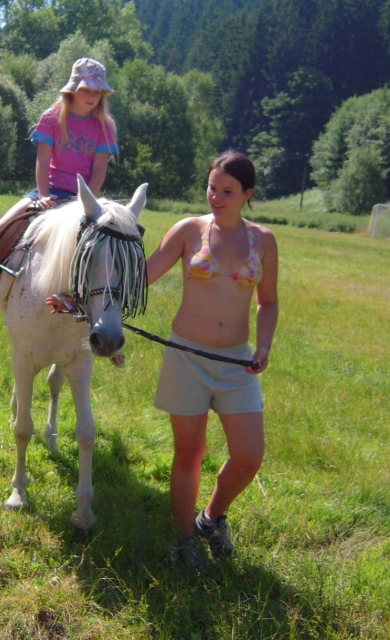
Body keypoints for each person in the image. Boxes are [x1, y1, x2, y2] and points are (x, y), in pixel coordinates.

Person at [145, 150, 279, 569]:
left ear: (247, 194)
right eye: (211, 188)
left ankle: (211, 517)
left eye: (227, 191)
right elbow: (141, 276)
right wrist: (84, 295)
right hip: (186, 357)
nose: (216, 197)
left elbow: (268, 301)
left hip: (237, 362)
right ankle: (185, 540)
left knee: (249, 456)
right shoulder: (189, 230)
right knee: (190, 453)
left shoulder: (263, 240)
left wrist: (263, 346)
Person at [0, 58, 118, 330]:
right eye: (86, 89)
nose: (92, 96)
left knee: (108, 249)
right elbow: (43, 161)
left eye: (97, 91)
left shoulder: (105, 126)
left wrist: (86, 203)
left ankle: (102, 316)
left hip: (82, 199)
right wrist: (42, 196)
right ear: (72, 89)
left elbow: (99, 169)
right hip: (49, 192)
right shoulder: (53, 118)